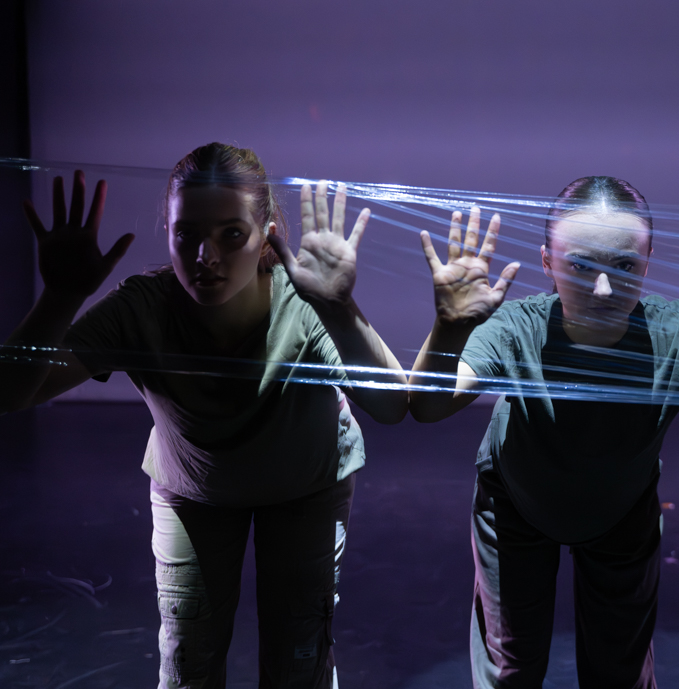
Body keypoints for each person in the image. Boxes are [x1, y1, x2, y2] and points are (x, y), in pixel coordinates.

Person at [0, 143, 408, 688]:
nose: (205, 256)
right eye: (186, 234)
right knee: (189, 661)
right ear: (165, 231)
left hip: (305, 487)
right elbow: (11, 393)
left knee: (300, 662)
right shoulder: (141, 307)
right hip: (193, 491)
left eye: (231, 235)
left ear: (266, 232)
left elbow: (390, 404)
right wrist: (59, 297)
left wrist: (338, 307)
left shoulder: (301, 305)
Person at [408, 176, 679, 688]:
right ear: (547, 262)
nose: (602, 289)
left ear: (646, 264)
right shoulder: (516, 327)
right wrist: (448, 327)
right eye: (581, 265)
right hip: (515, 501)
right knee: (510, 669)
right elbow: (426, 408)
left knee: (619, 674)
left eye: (623, 267)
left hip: (621, 510)